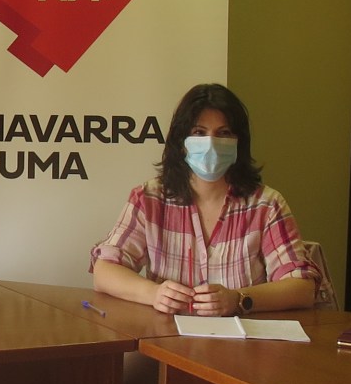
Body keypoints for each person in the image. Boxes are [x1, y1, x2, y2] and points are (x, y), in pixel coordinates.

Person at [89, 83, 325, 314]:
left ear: (239, 142)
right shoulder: (149, 199)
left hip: (243, 337)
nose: (211, 143)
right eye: (199, 133)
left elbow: (302, 288)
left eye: (223, 133)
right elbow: (104, 271)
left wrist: (239, 299)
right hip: (165, 335)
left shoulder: (267, 204)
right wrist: (154, 293)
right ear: (181, 143)